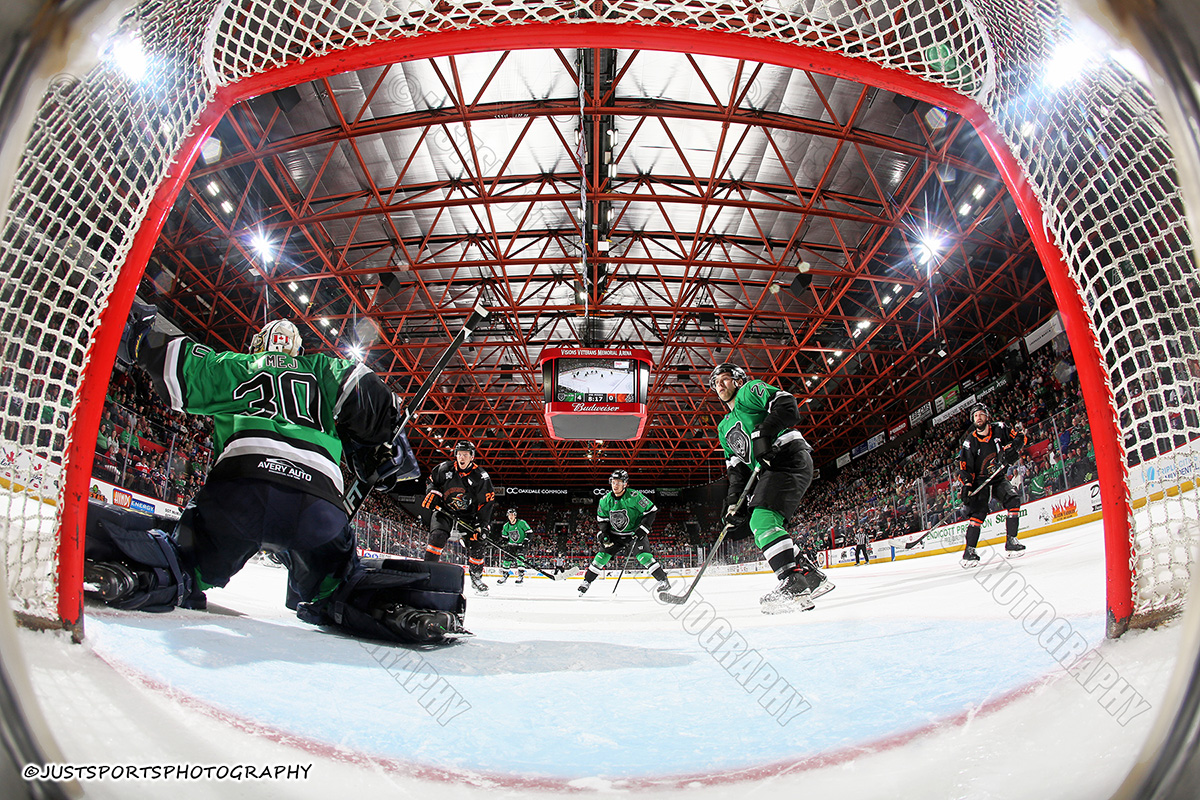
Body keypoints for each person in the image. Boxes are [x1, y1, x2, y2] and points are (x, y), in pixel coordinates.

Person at [84, 310, 465, 645]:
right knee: (335, 579)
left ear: (257, 345)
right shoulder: (324, 370)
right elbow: (379, 405)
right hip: (317, 507)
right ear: (296, 350)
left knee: (188, 560)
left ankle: (143, 576)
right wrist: (374, 445)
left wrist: (138, 330)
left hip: (238, 494)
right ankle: (385, 608)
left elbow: (172, 360)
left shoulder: (235, 365)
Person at [708, 362, 832, 613]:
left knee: (762, 520)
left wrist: (764, 434)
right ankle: (810, 577)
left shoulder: (749, 391)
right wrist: (734, 503)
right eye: (714, 383)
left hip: (786, 455)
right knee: (758, 518)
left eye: (724, 378)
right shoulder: (723, 428)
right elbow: (736, 469)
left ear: (738, 380)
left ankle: (793, 583)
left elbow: (786, 403)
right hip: (770, 468)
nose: (719, 385)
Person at [577, 470, 671, 595]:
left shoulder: (634, 496)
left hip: (634, 534)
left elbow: (652, 510)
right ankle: (586, 582)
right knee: (601, 558)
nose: (615, 485)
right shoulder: (605, 500)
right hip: (615, 535)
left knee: (644, 557)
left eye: (619, 482)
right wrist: (605, 533)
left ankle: (663, 581)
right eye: (613, 482)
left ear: (625, 484)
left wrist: (643, 528)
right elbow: (602, 519)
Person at [958, 402, 1027, 565]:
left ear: (987, 416)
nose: (978, 418)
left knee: (1013, 500)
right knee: (979, 514)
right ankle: (969, 551)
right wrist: (967, 485)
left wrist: (1013, 448)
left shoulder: (1000, 428)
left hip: (998, 477)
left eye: (981, 414)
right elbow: (965, 468)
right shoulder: (970, 442)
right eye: (975, 416)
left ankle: (1011, 541)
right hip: (981, 481)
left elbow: (1020, 437)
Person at [422, 440, 496, 593]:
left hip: (469, 515)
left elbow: (487, 502)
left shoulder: (481, 477)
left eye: (465, 454)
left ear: (472, 457)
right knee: (437, 537)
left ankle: (476, 578)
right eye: (459, 454)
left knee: (478, 542)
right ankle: (427, 574)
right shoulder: (444, 469)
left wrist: (482, 525)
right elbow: (431, 482)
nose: (462, 457)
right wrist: (432, 492)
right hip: (445, 509)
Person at [496, 507, 532, 584]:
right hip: (511, 545)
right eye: (509, 515)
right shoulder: (506, 526)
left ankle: (520, 576)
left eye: (512, 515)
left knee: (520, 558)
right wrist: (502, 542)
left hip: (520, 545)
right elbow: (505, 538)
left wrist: (526, 541)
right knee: (506, 560)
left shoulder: (521, 523)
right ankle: (505, 576)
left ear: (515, 515)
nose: (511, 516)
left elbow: (530, 533)